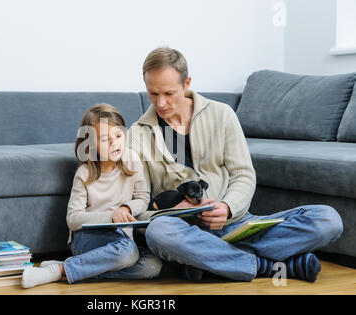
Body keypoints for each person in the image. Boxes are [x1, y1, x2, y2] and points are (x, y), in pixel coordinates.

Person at [127, 47, 344, 282]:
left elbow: (243, 174)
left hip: (238, 223)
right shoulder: (137, 134)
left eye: (169, 93)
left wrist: (228, 207)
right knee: (159, 232)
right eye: (153, 94)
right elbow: (138, 206)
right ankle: (264, 265)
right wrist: (172, 212)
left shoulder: (222, 114)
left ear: (187, 83)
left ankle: (209, 261)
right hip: (185, 232)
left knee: (327, 219)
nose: (161, 103)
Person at [22, 103, 162, 288]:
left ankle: (73, 267)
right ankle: (59, 271)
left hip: (121, 239)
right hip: (87, 237)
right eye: (105, 139)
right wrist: (111, 216)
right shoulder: (84, 173)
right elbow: (73, 219)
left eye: (118, 135)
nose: (115, 143)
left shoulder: (132, 160)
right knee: (127, 253)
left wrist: (126, 208)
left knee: (152, 266)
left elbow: (143, 198)